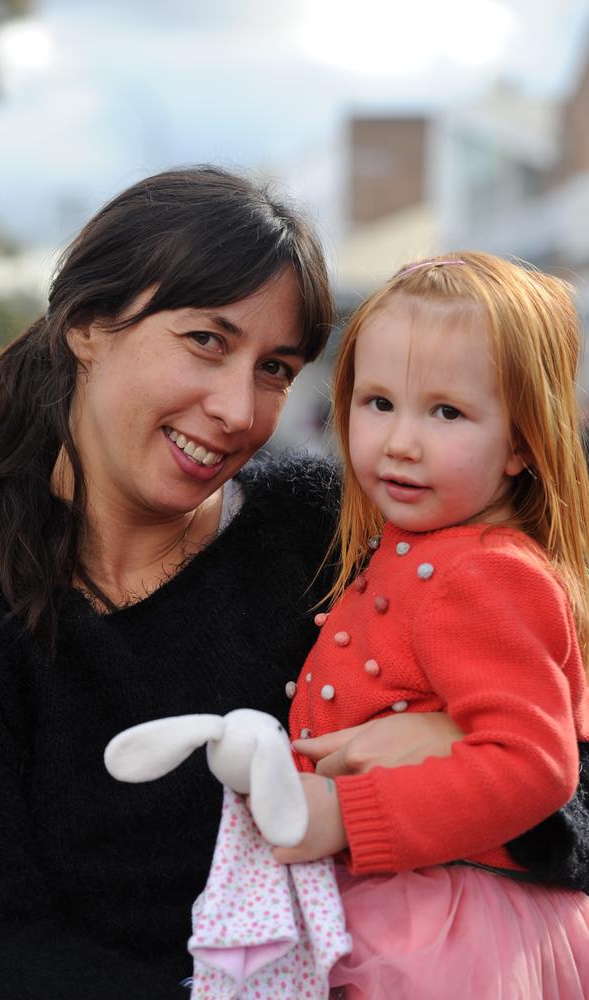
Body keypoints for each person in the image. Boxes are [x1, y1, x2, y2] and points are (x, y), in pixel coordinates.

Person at [0, 165, 464, 1000]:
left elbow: (565, 787)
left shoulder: (326, 531)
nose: (238, 410)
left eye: (277, 369)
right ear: (87, 324)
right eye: (207, 341)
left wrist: (466, 762)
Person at [276, 252, 589, 998]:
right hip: (409, 902)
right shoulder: (425, 547)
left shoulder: (484, 573)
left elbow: (536, 765)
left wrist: (348, 818)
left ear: (521, 442)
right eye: (378, 402)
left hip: (448, 927)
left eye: (446, 412)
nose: (401, 441)